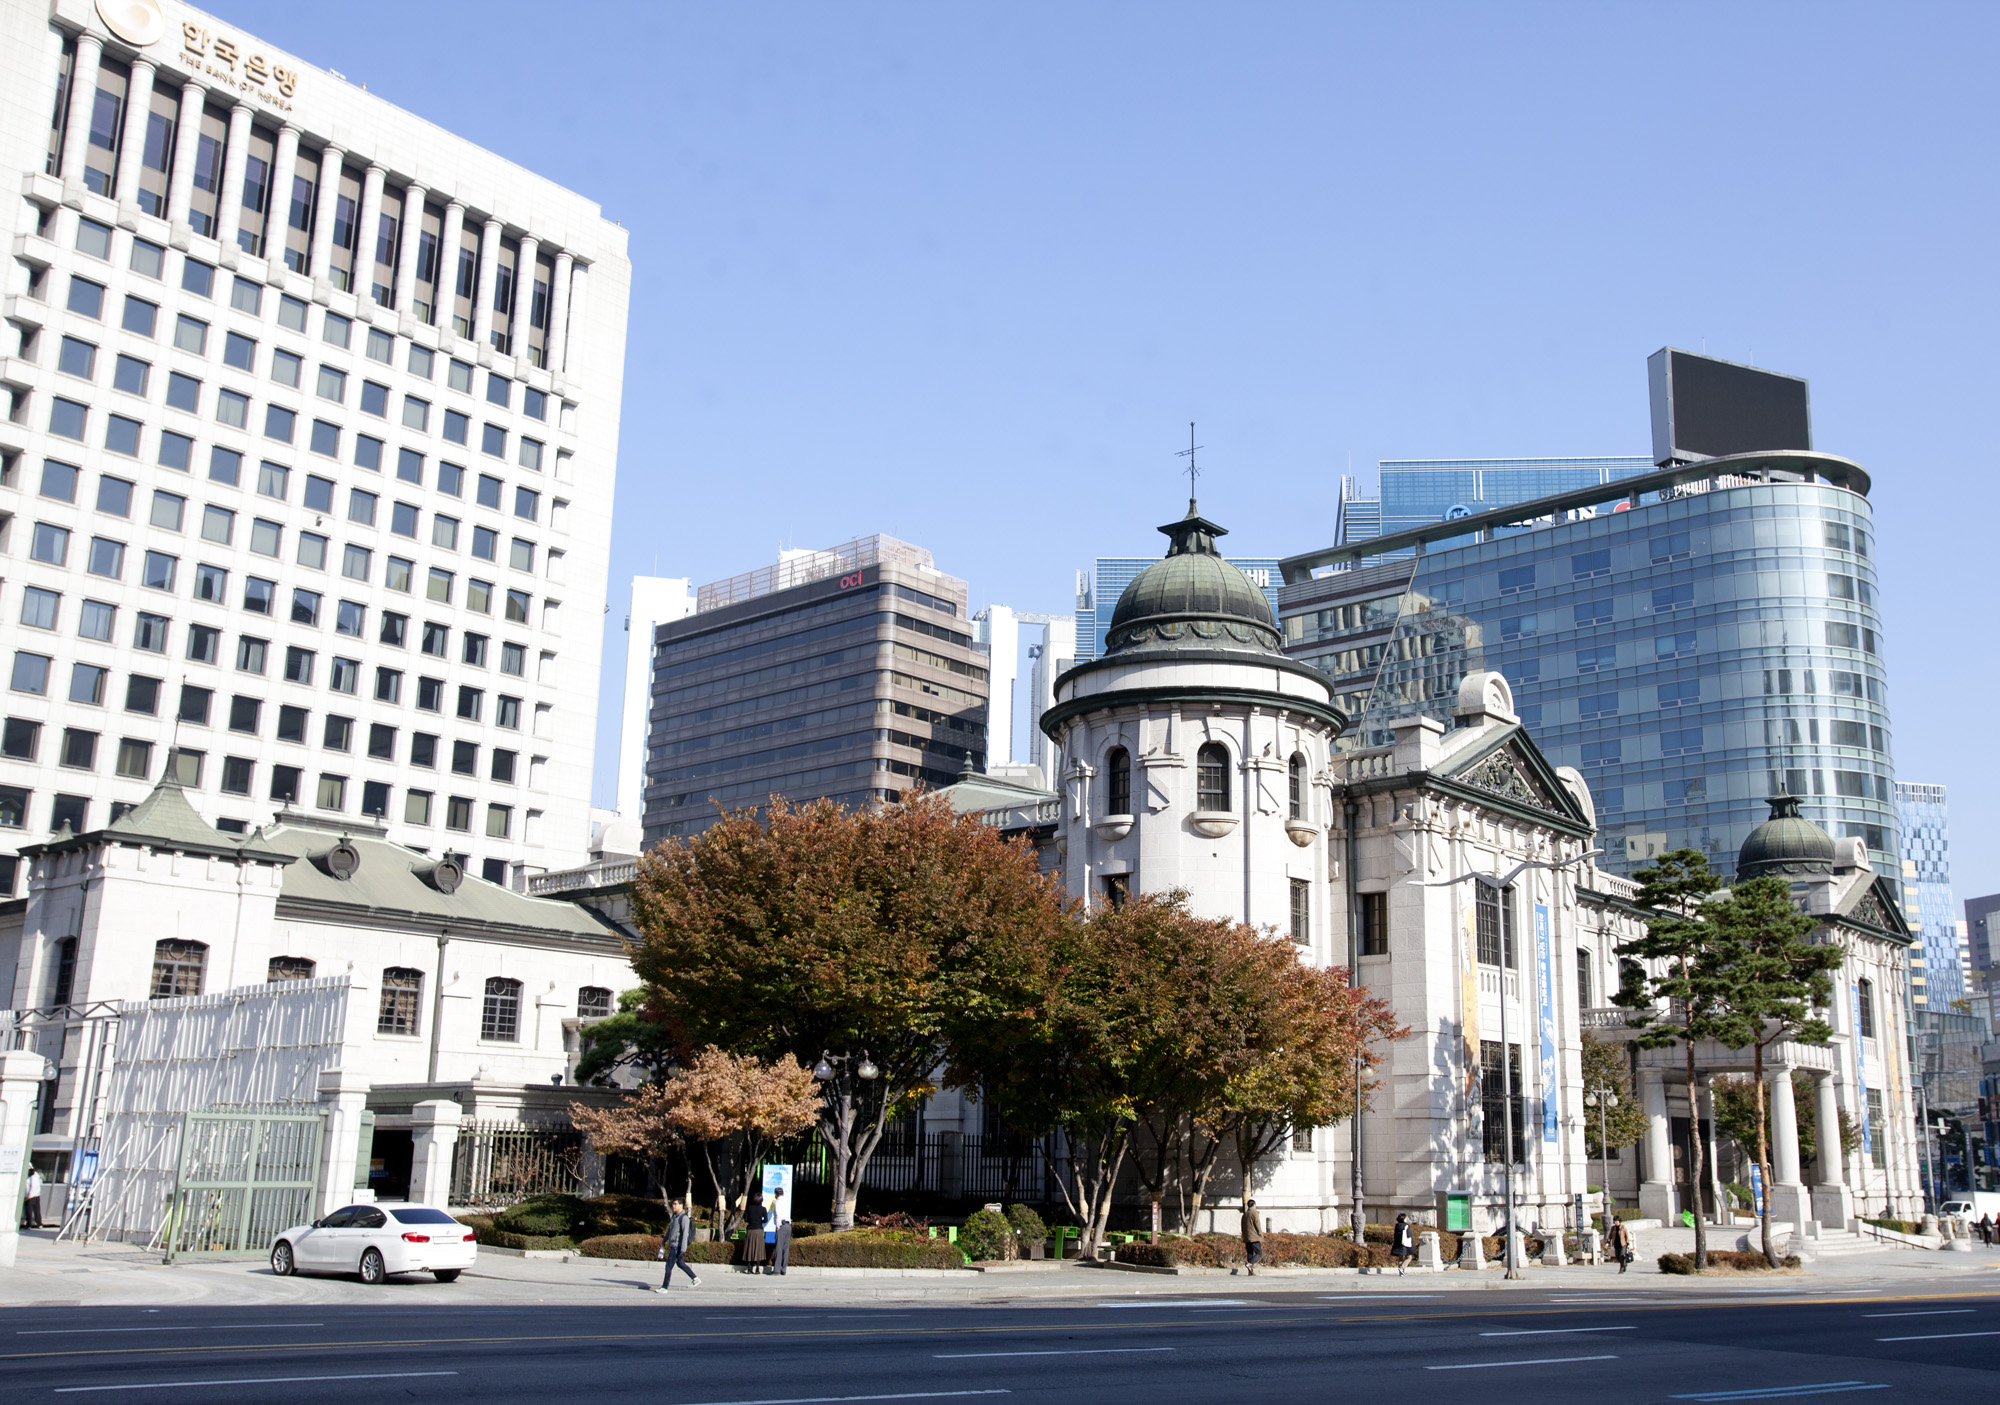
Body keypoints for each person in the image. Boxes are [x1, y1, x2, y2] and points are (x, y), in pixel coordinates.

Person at [654, 1197, 700, 1292]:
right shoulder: (674, 1217)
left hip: (677, 1246)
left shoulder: (684, 1218)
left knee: (668, 1266)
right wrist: (664, 1241)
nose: (673, 1206)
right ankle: (695, 1279)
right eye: (673, 1204)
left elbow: (685, 1234)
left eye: (675, 1204)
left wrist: (683, 1248)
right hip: (674, 1244)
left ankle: (664, 1287)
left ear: (681, 1205)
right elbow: (669, 1230)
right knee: (680, 1263)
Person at [768, 1187, 792, 1275]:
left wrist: (777, 1226)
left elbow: (777, 1214)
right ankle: (783, 1269)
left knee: (779, 1247)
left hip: (781, 1225)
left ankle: (777, 1270)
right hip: (788, 1225)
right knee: (786, 1248)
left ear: (775, 1194)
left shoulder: (777, 1202)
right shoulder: (786, 1201)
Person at [741, 1192, 767, 1270]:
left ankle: (749, 1268)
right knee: (758, 1248)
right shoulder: (763, 1209)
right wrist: (759, 1222)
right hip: (759, 1230)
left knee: (749, 1247)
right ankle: (757, 1268)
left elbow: (746, 1219)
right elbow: (765, 1220)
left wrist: (752, 1221)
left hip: (750, 1230)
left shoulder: (749, 1208)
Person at [1240, 1198, 1263, 1275]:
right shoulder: (1254, 1213)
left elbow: (1242, 1226)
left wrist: (1244, 1235)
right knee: (1259, 1252)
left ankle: (1250, 1271)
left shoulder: (1245, 1214)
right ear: (1254, 1205)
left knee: (1250, 1253)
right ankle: (1250, 1264)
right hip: (1254, 1237)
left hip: (1247, 1237)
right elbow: (1257, 1225)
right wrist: (1260, 1234)